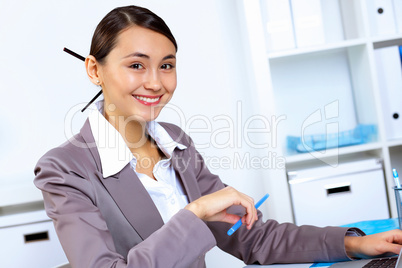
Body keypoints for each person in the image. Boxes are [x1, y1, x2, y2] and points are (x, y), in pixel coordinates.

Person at [34, 5, 402, 268]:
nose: (155, 82)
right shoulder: (64, 169)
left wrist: (353, 244)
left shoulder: (174, 142)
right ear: (94, 69)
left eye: (167, 65)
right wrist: (194, 213)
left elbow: (249, 236)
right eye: (136, 65)